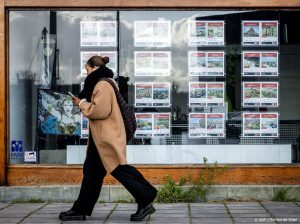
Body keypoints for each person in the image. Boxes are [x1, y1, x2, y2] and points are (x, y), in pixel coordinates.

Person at [59, 56, 157, 222]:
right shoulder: (103, 82)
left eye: (87, 70)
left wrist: (81, 103)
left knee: (120, 169)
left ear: (94, 68)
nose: (86, 74)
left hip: (106, 139)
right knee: (92, 173)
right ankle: (80, 209)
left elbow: (100, 111)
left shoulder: (102, 84)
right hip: (100, 139)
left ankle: (146, 198)